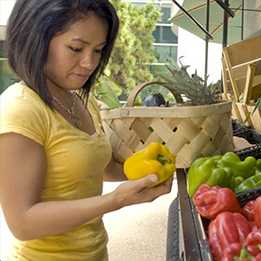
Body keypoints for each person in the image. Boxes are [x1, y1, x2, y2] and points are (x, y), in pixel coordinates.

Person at [0, 1, 173, 260]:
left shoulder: (81, 99)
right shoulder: (21, 109)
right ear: (36, 38)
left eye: (98, 50)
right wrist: (115, 201)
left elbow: (99, 168)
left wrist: (146, 173)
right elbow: (23, 223)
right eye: (76, 48)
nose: (89, 63)